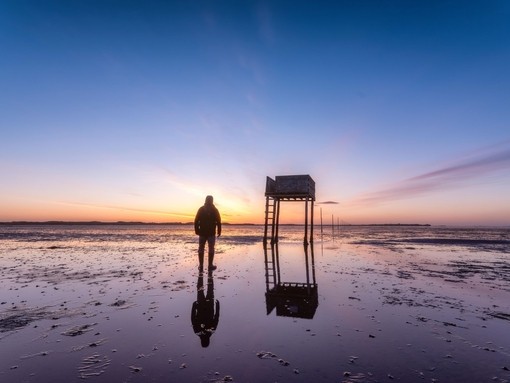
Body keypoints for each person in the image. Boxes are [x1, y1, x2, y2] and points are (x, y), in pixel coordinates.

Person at [191, 271, 220, 348]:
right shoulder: (198, 331)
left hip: (205, 305)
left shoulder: (206, 330)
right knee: (202, 289)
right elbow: (193, 318)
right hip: (204, 305)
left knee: (209, 288)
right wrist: (194, 307)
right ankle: (203, 273)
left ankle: (206, 273)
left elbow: (216, 317)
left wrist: (217, 306)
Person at [194, 195, 221, 271]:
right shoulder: (208, 209)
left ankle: (204, 265)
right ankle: (207, 265)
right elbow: (196, 220)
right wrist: (219, 230)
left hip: (206, 232)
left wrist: (219, 230)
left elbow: (218, 221)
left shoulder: (208, 209)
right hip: (206, 232)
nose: (209, 201)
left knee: (203, 248)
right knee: (207, 248)